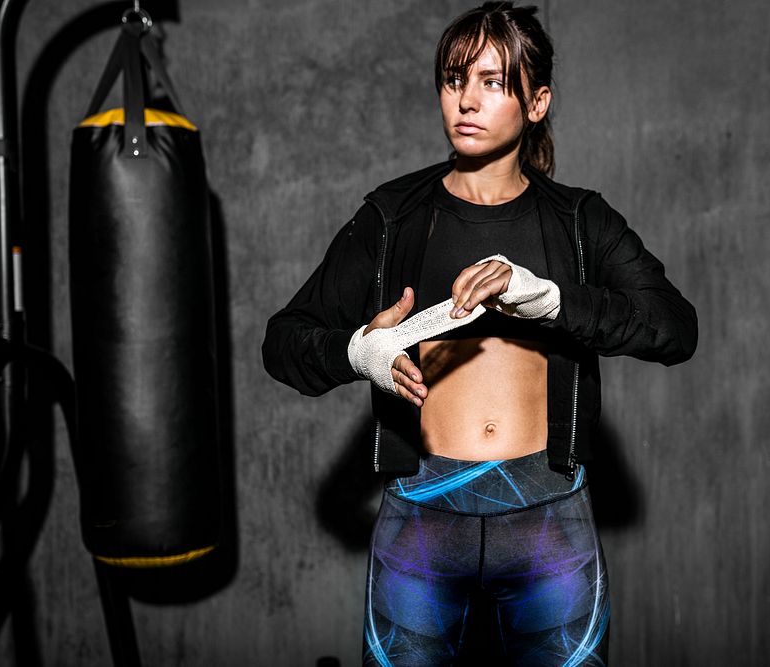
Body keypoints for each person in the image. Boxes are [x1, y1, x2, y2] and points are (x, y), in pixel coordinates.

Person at [262, 2, 697, 664]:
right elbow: (283, 341)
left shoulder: (582, 221)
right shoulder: (391, 217)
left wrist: (550, 299)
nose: (465, 99)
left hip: (549, 512)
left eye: (492, 81)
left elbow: (676, 326)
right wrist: (357, 351)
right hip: (423, 514)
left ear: (537, 99)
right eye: (453, 77)